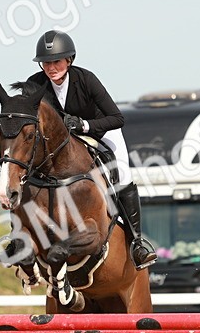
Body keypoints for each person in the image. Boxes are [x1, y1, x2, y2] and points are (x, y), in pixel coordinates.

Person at [25, 30, 157, 269]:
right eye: (46, 62)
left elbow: (117, 118)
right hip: (62, 142)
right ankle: (19, 235)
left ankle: (137, 242)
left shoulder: (86, 80)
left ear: (69, 60)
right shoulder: (35, 85)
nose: (50, 67)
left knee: (123, 175)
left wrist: (85, 125)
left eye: (56, 61)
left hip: (101, 131)